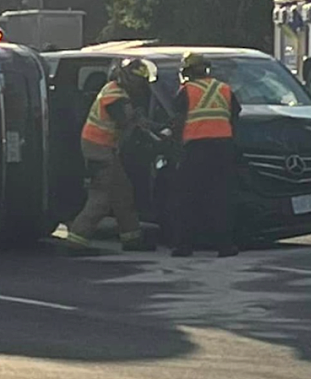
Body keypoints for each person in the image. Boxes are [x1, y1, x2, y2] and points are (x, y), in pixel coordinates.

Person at [65, 59, 157, 253]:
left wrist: (147, 123)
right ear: (128, 77)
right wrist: (140, 122)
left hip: (104, 148)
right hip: (98, 149)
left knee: (122, 193)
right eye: (138, 80)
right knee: (101, 198)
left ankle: (132, 238)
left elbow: (132, 120)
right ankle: (76, 241)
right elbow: (124, 121)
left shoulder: (117, 91)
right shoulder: (115, 94)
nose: (141, 85)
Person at [170, 52, 241, 258]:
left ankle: (184, 246)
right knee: (221, 198)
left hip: (195, 150)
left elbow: (177, 122)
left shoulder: (186, 91)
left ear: (187, 71)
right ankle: (225, 246)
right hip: (223, 149)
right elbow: (235, 117)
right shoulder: (224, 89)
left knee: (187, 198)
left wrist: (175, 149)